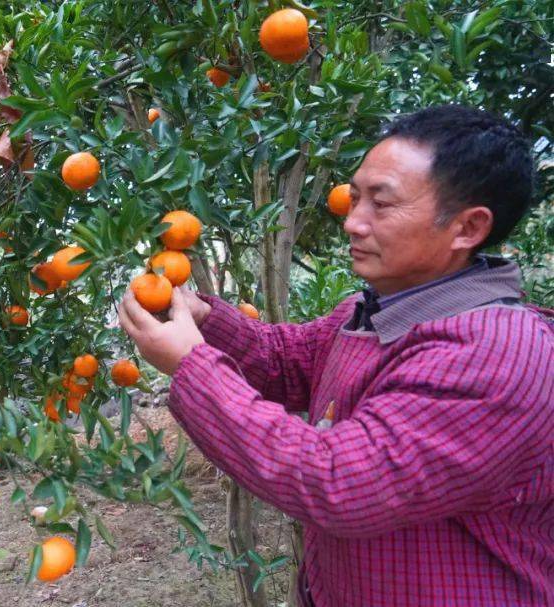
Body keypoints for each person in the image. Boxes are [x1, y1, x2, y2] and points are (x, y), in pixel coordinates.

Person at [119, 105, 552, 606]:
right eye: (354, 198)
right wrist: (206, 320)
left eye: (381, 205)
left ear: (467, 228)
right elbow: (287, 360)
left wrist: (192, 367)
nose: (352, 222)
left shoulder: (496, 353)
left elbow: (337, 483)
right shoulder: (377, 309)